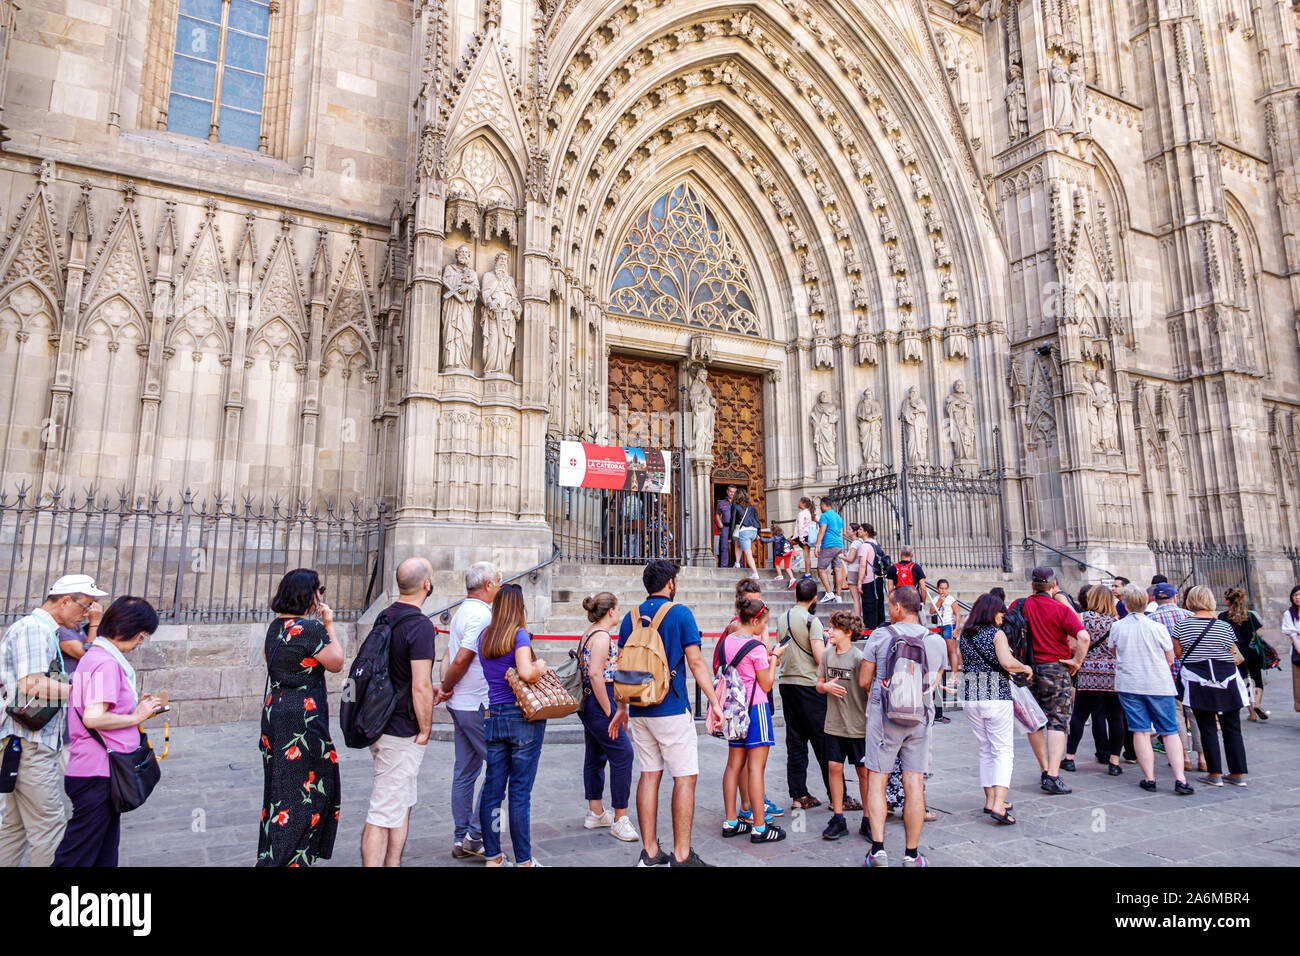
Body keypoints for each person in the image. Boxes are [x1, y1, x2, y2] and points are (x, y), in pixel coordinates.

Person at [609, 560, 724, 867]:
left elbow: (622, 666)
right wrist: (714, 701)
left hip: (638, 707)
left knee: (648, 776)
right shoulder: (680, 613)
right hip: (671, 708)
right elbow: (697, 662)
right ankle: (682, 855)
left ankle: (649, 852)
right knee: (684, 778)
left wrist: (621, 708)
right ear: (670, 583)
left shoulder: (629, 618)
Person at [0, 573, 106, 867]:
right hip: (27, 745)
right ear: (64, 601)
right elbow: (32, 683)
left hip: (21, 744)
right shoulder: (35, 630)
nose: (86, 615)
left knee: (14, 827)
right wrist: (82, 691)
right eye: (84, 607)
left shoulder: (44, 630)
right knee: (49, 826)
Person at [52, 597, 165, 866]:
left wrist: (136, 709)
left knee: (102, 853)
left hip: (98, 771)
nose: (140, 642)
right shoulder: (106, 662)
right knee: (77, 856)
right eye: (141, 636)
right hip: (98, 771)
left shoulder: (95, 657)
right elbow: (93, 717)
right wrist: (137, 716)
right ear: (128, 629)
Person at [257, 568, 344, 867]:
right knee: (309, 790)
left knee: (279, 787)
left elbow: (273, 663)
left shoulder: (274, 628)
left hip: (276, 710)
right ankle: (289, 859)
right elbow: (336, 663)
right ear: (309, 594)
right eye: (320, 589)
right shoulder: (310, 630)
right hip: (303, 716)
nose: (322, 595)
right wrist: (329, 625)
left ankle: (269, 855)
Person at [859, 586, 944, 867]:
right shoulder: (935, 641)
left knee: (877, 780)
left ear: (897, 607)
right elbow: (932, 682)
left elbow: (863, 681)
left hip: (884, 716)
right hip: (919, 718)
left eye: (890, 605)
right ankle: (911, 855)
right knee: (914, 783)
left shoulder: (881, 636)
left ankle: (879, 850)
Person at [359, 559, 436, 867]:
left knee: (401, 801)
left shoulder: (385, 616)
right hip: (400, 729)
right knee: (382, 809)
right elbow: (420, 686)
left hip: (380, 721)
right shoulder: (420, 626)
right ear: (427, 585)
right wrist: (426, 728)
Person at [474, 583, 549, 866]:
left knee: (493, 789)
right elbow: (527, 673)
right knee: (519, 793)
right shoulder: (518, 635)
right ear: (518, 607)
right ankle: (524, 860)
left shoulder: (485, 637)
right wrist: (540, 666)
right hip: (521, 718)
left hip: (494, 716)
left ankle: (493, 854)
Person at [437, 561, 500, 859]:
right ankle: (475, 834)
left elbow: (450, 652)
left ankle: (461, 835)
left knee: (464, 770)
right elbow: (461, 658)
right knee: (499, 765)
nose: (499, 586)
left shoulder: (463, 610)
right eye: (497, 581)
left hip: (460, 702)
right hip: (476, 703)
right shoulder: (482, 615)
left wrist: (447, 686)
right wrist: (446, 684)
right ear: (487, 584)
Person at [1108, 584, 1194, 795]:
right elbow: (1170, 658)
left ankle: (1149, 777)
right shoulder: (1157, 626)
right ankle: (1180, 779)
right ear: (1146, 602)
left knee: (1140, 729)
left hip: (1130, 683)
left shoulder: (1117, 627)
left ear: (1125, 604)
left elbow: (1113, 652)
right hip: (1159, 683)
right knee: (1169, 730)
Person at [957, 594, 1032, 825]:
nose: (1003, 616)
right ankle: (999, 804)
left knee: (985, 749)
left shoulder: (965, 636)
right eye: (1000, 612)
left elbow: (962, 663)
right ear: (991, 612)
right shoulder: (995, 634)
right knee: (1002, 751)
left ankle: (990, 800)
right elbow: (1007, 662)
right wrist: (1025, 666)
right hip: (995, 696)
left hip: (971, 696)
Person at [719, 598, 787, 843]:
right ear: (755, 620)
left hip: (735, 710)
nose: (765, 628)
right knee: (756, 769)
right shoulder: (757, 648)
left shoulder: (728, 640)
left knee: (733, 766)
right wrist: (775, 658)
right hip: (756, 708)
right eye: (765, 623)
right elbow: (766, 683)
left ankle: (731, 821)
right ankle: (760, 826)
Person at [1019, 567, 1090, 794]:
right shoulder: (1061, 609)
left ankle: (1043, 768)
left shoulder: (1021, 605)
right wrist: (1077, 662)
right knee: (1057, 721)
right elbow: (1083, 637)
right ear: (1053, 585)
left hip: (1028, 669)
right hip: (1056, 668)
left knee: (1035, 721)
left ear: (1032, 585)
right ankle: (1053, 774)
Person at [576, 592, 637, 843]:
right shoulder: (601, 637)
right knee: (623, 753)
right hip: (601, 700)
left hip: (590, 703)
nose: (620, 613)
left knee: (596, 754)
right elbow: (595, 674)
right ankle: (620, 818)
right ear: (610, 611)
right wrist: (611, 711)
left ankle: (596, 810)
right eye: (618, 609)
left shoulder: (589, 633)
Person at [1174, 586, 1249, 788]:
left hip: (1198, 679)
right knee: (1232, 727)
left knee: (1206, 726)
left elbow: (1179, 653)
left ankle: (1214, 772)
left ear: (1190, 601)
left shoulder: (1182, 625)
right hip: (1227, 679)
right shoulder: (1224, 627)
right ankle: (1237, 772)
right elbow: (1233, 653)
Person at [777, 577, 836, 812]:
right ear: (814, 599)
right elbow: (820, 658)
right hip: (809, 685)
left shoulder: (783, 618)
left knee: (796, 741)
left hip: (787, 683)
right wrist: (831, 645)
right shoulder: (813, 621)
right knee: (823, 741)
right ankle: (836, 796)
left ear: (795, 596)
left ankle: (798, 794)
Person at [817, 610, 871, 840]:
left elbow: (868, 690)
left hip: (858, 724)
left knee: (863, 773)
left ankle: (868, 818)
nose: (830, 631)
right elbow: (818, 684)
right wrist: (826, 687)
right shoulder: (827, 655)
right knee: (834, 768)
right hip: (834, 723)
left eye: (834, 628)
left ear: (848, 632)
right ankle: (838, 816)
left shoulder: (859, 658)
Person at [1063, 584, 1125, 775]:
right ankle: (1114, 761)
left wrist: (1079, 659)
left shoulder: (1082, 618)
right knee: (1115, 717)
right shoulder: (1116, 623)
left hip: (1088, 672)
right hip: (1112, 673)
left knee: (1079, 715)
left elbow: (1072, 644)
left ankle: (1070, 758)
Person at [1149, 583, 1202, 773]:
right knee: (1196, 714)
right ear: (1176, 598)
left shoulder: (1152, 619)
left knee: (1176, 715)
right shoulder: (1189, 616)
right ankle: (1203, 758)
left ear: (1154, 599)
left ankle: (1184, 757)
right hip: (1192, 672)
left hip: (1167, 674)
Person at [1220, 587, 1268, 721]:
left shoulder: (1223, 617)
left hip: (1236, 653)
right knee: (1256, 678)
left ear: (1228, 601)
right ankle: (1257, 703)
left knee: (1243, 681)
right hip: (1252, 652)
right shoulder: (1250, 616)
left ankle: (1252, 713)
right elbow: (1259, 634)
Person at [925, 578, 960, 722]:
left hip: (948, 625)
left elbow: (957, 614)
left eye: (945, 588)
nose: (943, 591)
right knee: (941, 651)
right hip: (939, 626)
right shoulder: (936, 598)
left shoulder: (951, 599)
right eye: (940, 588)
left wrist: (957, 628)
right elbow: (932, 610)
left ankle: (954, 674)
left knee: (951, 650)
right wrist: (939, 600)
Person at [814, 498, 847, 603]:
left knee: (821, 568)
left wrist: (817, 545)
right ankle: (838, 595)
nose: (820, 508)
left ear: (823, 505)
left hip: (828, 544)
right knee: (838, 569)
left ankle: (829, 593)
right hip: (839, 544)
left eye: (820, 506)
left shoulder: (824, 516)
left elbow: (822, 530)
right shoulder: (838, 517)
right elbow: (841, 533)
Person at [858, 524, 885, 630]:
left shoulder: (864, 546)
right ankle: (880, 627)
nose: (858, 531)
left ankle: (870, 629)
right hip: (878, 578)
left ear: (866, 532)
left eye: (860, 529)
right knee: (878, 604)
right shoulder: (876, 544)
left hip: (868, 579)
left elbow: (862, 565)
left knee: (869, 605)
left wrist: (859, 581)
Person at [733, 489, 762, 576]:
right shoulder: (751, 507)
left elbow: (733, 522)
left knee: (748, 553)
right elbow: (757, 520)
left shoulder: (736, 507)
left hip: (744, 532)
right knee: (737, 543)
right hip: (753, 531)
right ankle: (737, 563)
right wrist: (758, 534)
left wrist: (729, 537)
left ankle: (755, 573)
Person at [1282, 585, 1300, 713]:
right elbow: (1294, 637)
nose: (1298, 598)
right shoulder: (1289, 614)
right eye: (1295, 595)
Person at [794, 496, 816, 573]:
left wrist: (801, 538)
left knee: (787, 542)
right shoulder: (809, 513)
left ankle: (796, 556)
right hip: (807, 536)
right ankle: (808, 574)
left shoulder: (801, 513)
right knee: (807, 556)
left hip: (801, 536)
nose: (798, 503)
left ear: (803, 503)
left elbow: (800, 526)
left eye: (799, 501)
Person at [716, 485, 737, 568]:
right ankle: (723, 566)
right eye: (731, 492)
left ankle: (739, 565)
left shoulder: (738, 502)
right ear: (727, 492)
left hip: (736, 527)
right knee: (724, 547)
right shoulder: (722, 503)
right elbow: (717, 514)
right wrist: (719, 523)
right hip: (725, 527)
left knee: (737, 546)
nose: (732, 494)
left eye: (734, 492)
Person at [770, 522, 796, 587]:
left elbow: (768, 540)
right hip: (788, 553)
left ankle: (780, 575)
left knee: (776, 563)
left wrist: (760, 539)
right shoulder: (783, 536)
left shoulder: (775, 537)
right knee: (787, 567)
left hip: (780, 553)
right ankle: (792, 578)